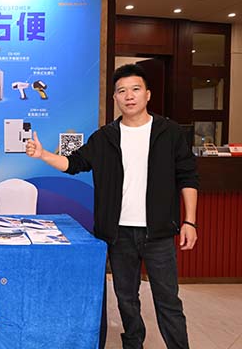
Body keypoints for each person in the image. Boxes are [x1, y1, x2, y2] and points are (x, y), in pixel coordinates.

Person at [26, 64, 198, 349]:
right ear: (115, 98)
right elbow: (74, 164)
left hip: (159, 232)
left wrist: (190, 221)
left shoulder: (169, 132)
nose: (129, 96)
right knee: (126, 300)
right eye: (122, 91)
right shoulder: (105, 137)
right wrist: (44, 155)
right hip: (118, 234)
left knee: (168, 300)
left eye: (135, 89)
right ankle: (133, 344)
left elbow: (188, 177)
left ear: (147, 94)